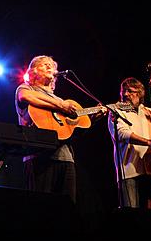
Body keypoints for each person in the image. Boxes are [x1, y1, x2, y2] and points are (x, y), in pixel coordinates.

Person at [15, 55, 105, 203]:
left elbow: (71, 128)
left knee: (67, 207)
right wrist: (61, 106)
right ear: (33, 72)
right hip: (39, 156)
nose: (50, 66)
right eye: (44, 64)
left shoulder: (62, 101)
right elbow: (25, 96)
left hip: (66, 158)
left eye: (52, 65)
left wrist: (94, 117)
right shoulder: (26, 88)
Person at [107, 77, 151, 208]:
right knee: (132, 218)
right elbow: (123, 134)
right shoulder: (117, 112)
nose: (125, 94)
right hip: (129, 172)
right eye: (123, 91)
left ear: (139, 94)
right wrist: (150, 143)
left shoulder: (150, 112)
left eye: (130, 91)